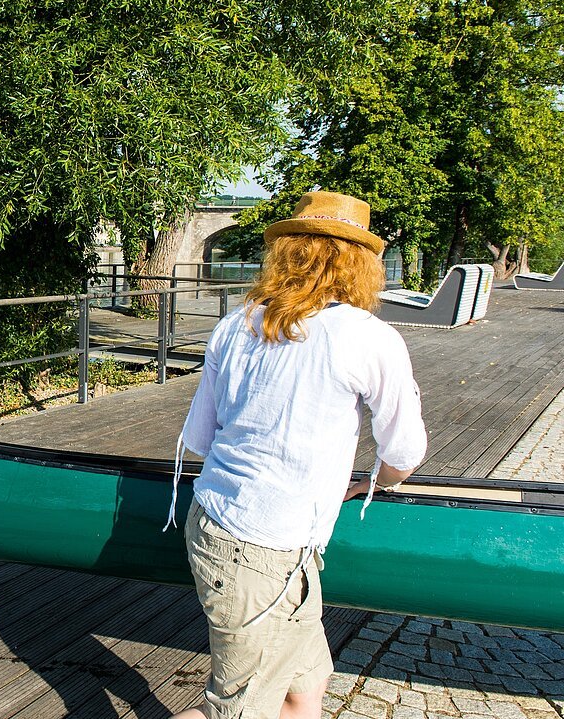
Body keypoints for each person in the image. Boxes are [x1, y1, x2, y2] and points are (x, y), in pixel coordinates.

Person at [170, 191, 427, 719]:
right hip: (264, 547)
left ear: (286, 254)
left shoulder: (236, 325)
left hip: (232, 527)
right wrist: (384, 479)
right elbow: (403, 448)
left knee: (305, 688)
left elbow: (199, 436)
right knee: (235, 711)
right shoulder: (368, 337)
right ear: (359, 265)